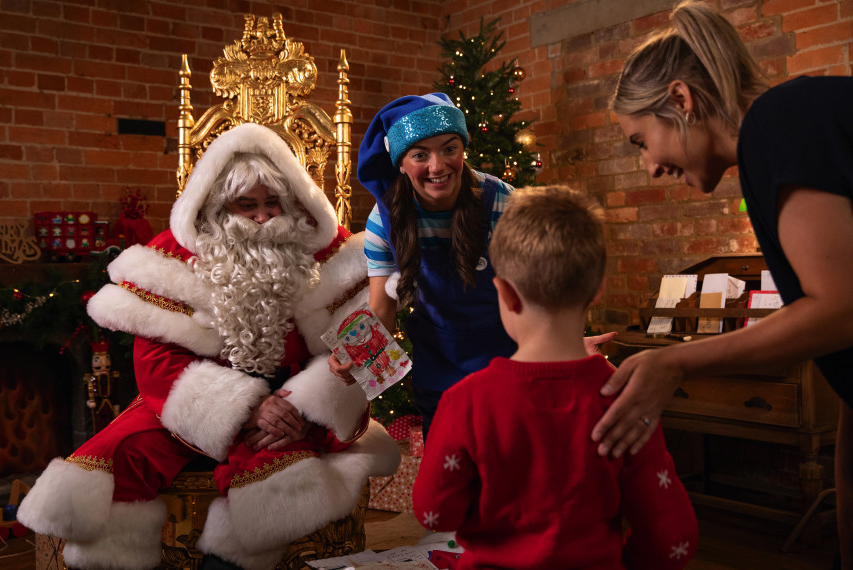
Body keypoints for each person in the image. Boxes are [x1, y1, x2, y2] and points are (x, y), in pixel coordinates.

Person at [17, 123, 400, 570]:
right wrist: (244, 408)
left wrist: (305, 406)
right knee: (112, 458)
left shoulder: (340, 252)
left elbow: (370, 352)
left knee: (278, 479)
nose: (262, 217)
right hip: (195, 403)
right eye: (246, 206)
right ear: (217, 208)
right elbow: (156, 361)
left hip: (300, 407)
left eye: (272, 203)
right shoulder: (170, 259)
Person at [596, 2, 853, 566]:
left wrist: (680, 362)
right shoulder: (772, 143)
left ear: (681, 102)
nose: (650, 167)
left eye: (641, 142)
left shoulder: (782, 123)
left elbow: (839, 310)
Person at [412, 185, 698, 569]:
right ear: (598, 290)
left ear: (506, 294)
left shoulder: (465, 401)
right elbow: (671, 538)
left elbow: (435, 515)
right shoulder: (628, 400)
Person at [334, 92, 614, 438]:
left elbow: (542, 289)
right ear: (401, 163)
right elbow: (382, 308)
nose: (438, 166)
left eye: (449, 149)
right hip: (439, 376)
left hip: (511, 369)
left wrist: (566, 346)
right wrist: (356, 357)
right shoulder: (385, 221)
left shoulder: (502, 203)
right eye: (421, 154)